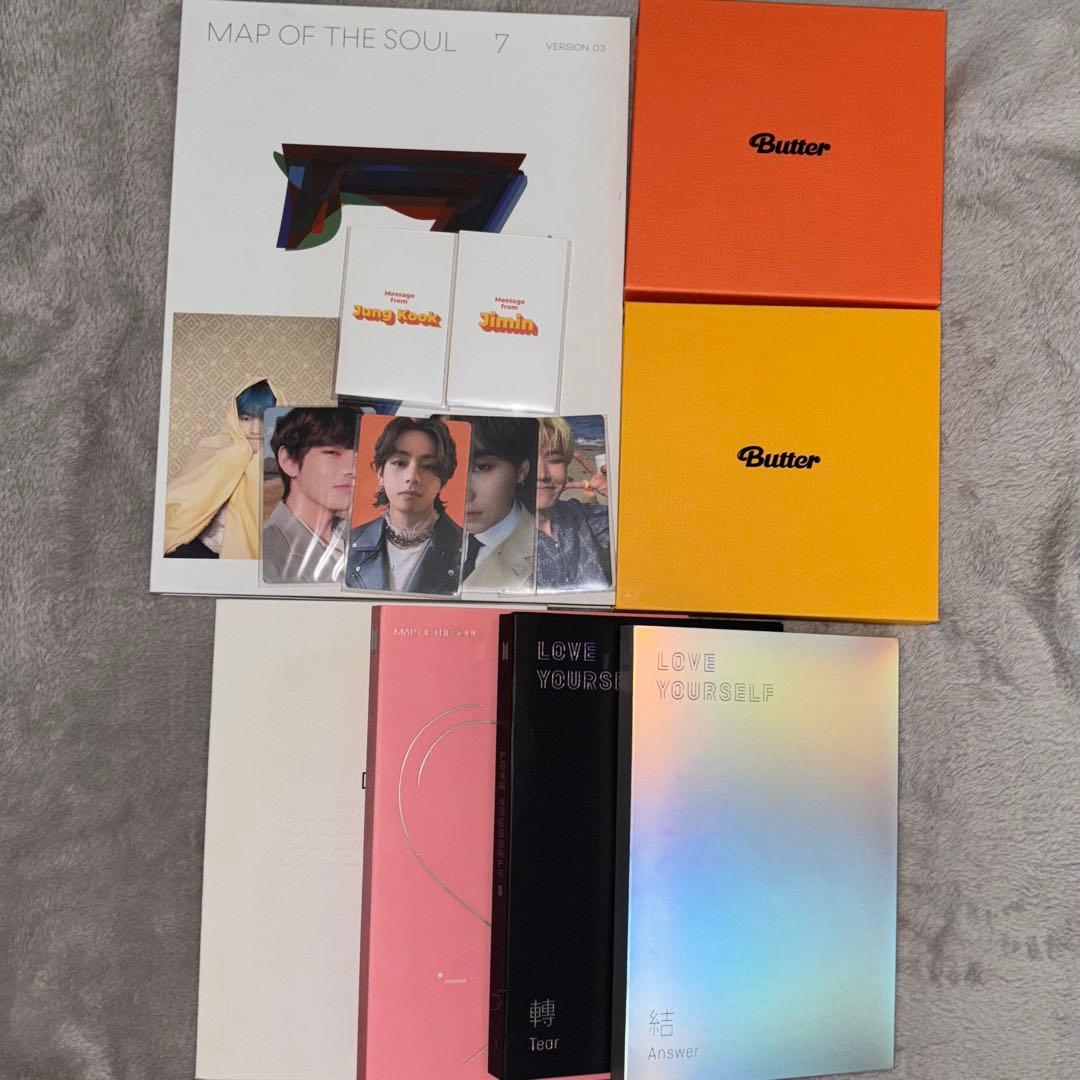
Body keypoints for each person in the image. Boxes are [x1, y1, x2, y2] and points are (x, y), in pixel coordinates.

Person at [347, 416, 464, 594]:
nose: (412, 477)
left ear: (443, 480)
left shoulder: (467, 548)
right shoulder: (347, 544)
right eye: (400, 463)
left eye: (428, 466)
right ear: (380, 473)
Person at [164, 377, 278, 559]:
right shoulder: (214, 448)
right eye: (245, 418)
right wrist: (235, 456)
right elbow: (175, 507)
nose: (255, 429)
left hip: (255, 563)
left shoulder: (286, 463)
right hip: (197, 551)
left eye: (264, 418)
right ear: (234, 418)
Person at [262, 407, 358, 584]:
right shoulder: (266, 557)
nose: (353, 470)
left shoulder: (360, 535)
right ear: (289, 461)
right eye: (332, 453)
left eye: (358, 456)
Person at [459, 416, 538, 593]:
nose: (464, 494)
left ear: (521, 471)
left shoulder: (547, 554)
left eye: (482, 467)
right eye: (449, 467)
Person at [535, 416, 612, 591]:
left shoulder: (579, 515)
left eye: (554, 460)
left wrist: (617, 493)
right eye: (530, 459)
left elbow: (639, 526)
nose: (542, 474)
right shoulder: (493, 541)